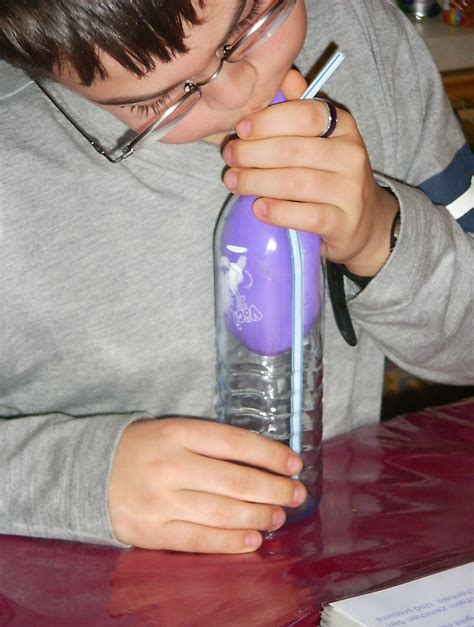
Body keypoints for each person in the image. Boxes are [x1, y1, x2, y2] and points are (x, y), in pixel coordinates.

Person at [0, 0, 472, 554]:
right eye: (156, 100)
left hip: (329, 555)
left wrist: (379, 234)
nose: (239, 93)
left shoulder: (363, 35)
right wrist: (74, 481)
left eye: (248, 27)